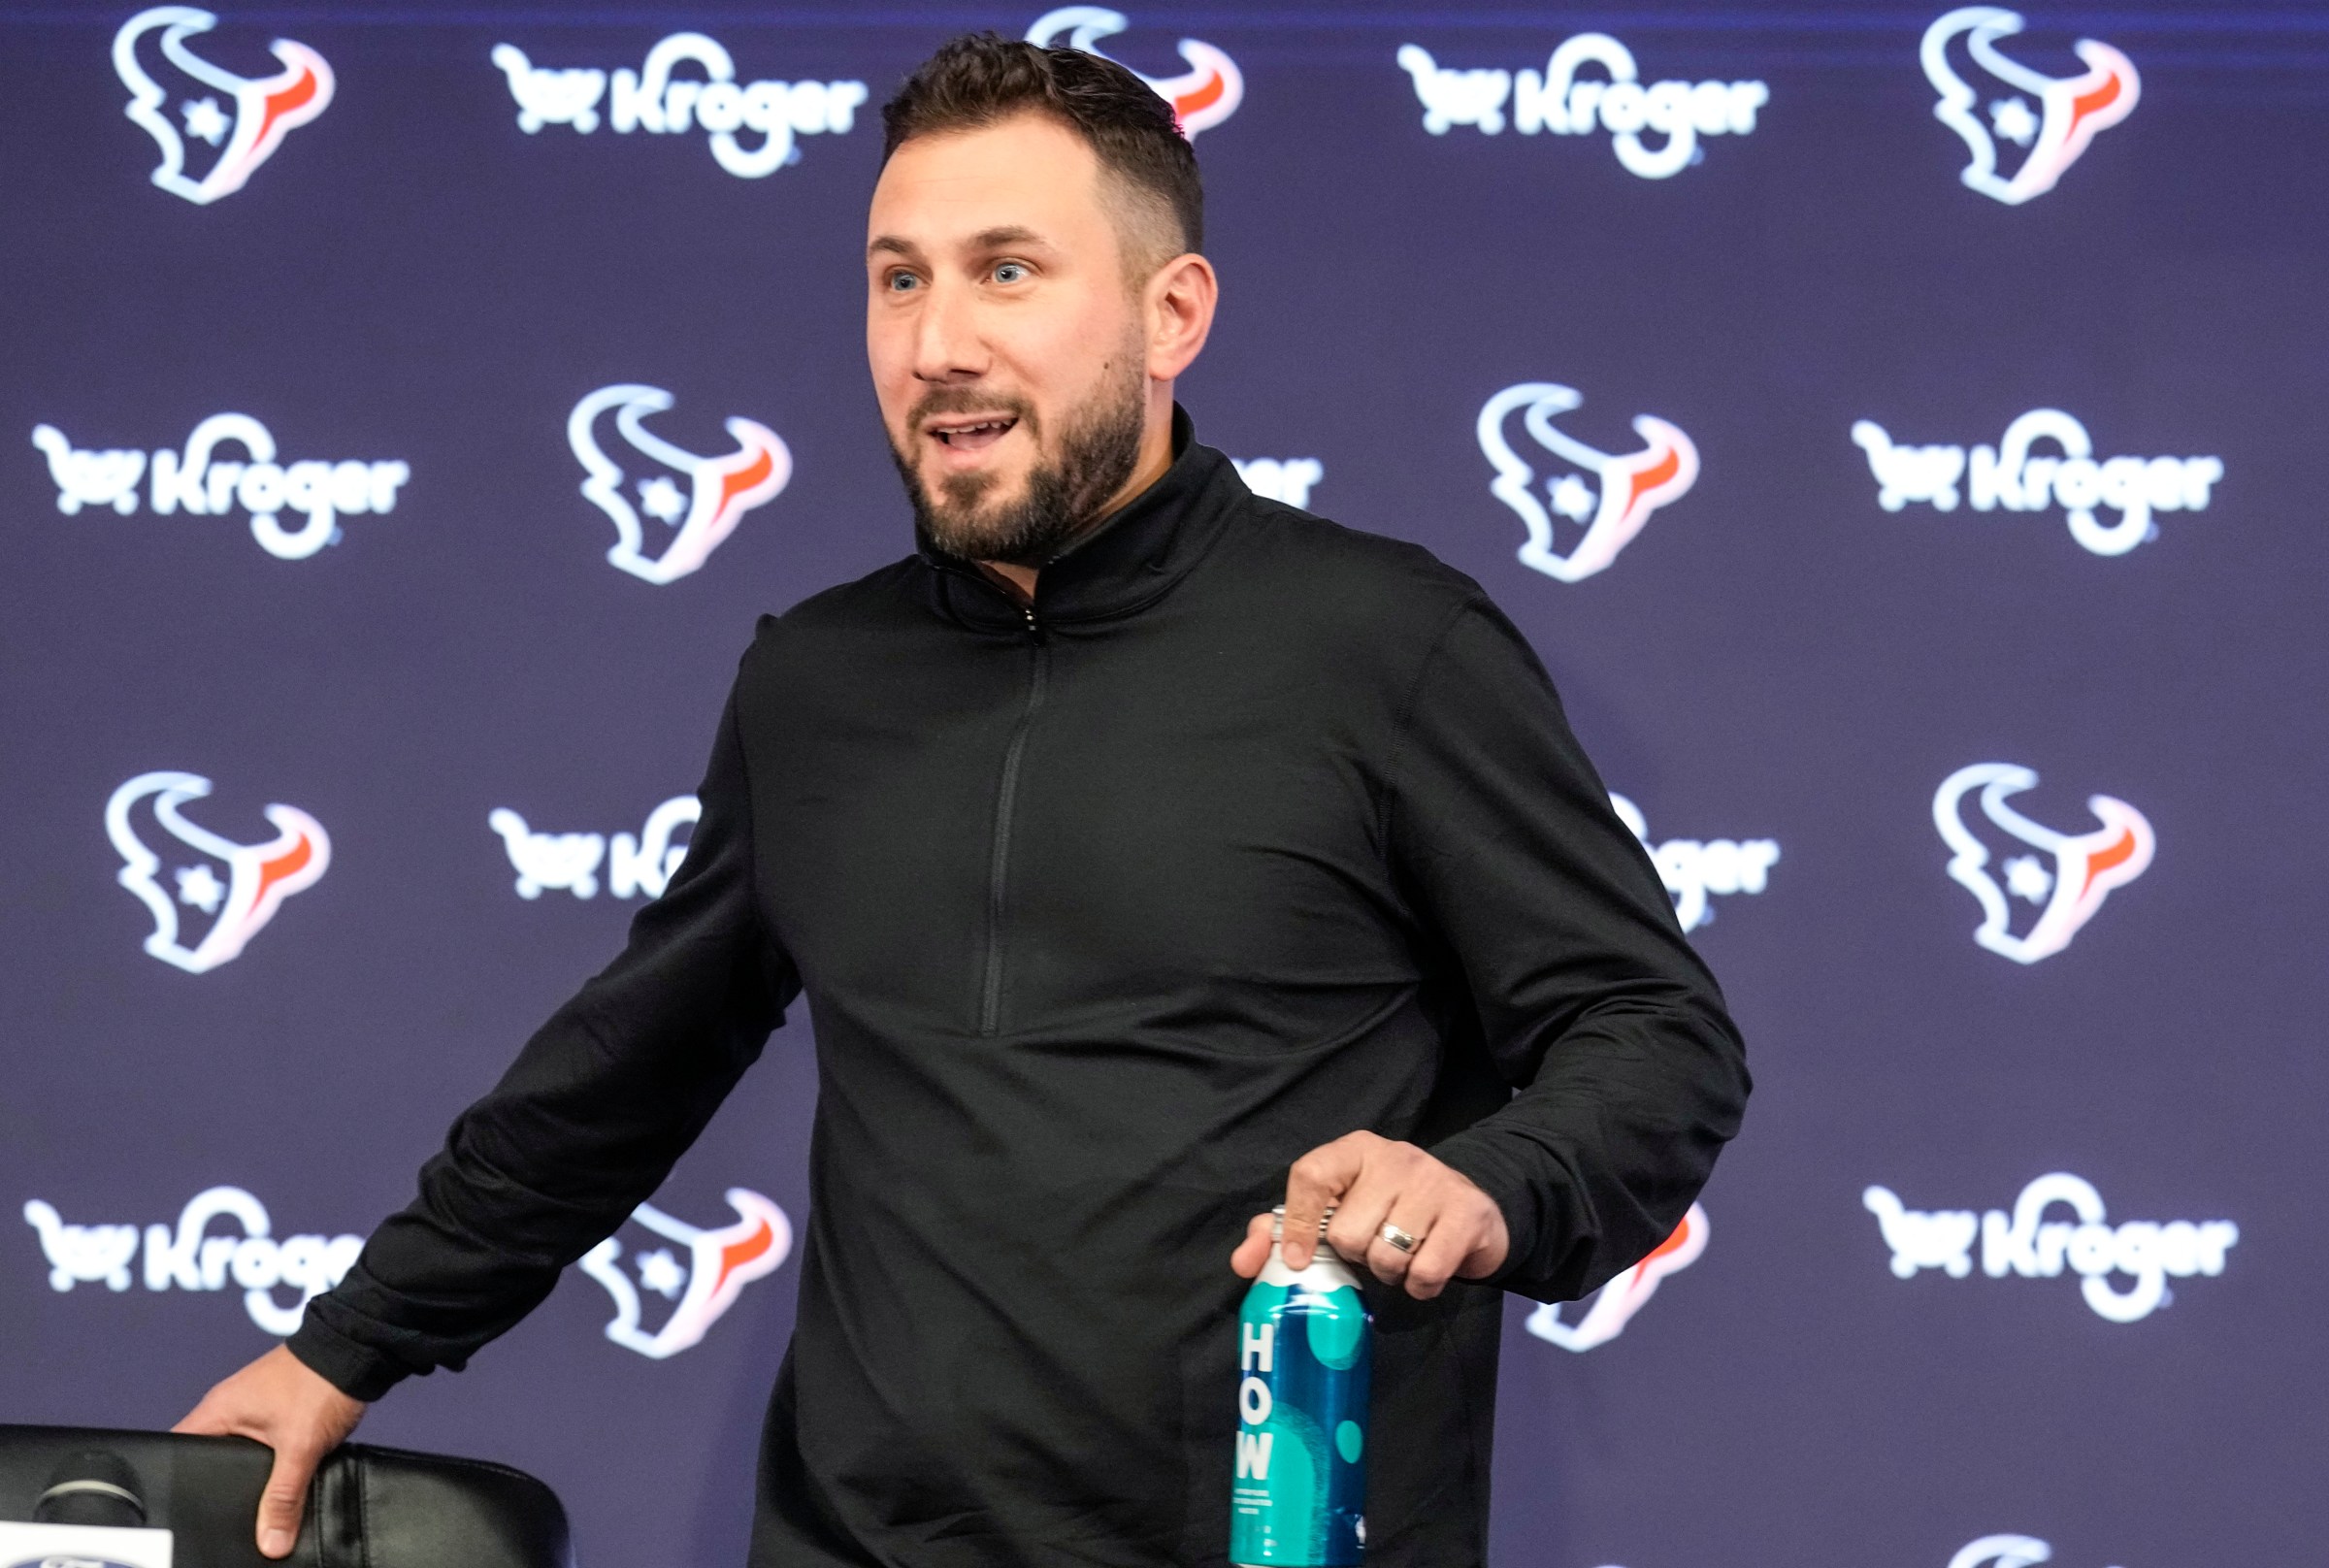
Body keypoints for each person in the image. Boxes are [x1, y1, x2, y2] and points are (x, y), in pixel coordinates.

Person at [175, 33, 1749, 1568]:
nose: (937, 341)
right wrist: (347, 1347)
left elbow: (1656, 1036)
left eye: (1008, 270)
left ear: (1171, 311)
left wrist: (1483, 1181)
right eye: (898, 276)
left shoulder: (1391, 646)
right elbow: (626, 1071)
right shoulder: (814, 680)